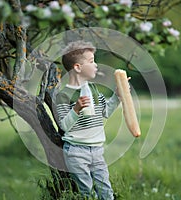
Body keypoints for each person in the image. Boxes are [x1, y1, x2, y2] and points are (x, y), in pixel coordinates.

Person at [55, 40, 120, 199]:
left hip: (97, 150)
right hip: (76, 151)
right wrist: (76, 109)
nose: (96, 65)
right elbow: (64, 125)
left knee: (105, 190)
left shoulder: (94, 90)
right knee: (86, 192)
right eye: (91, 61)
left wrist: (118, 96)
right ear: (77, 67)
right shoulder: (63, 95)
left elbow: (105, 112)